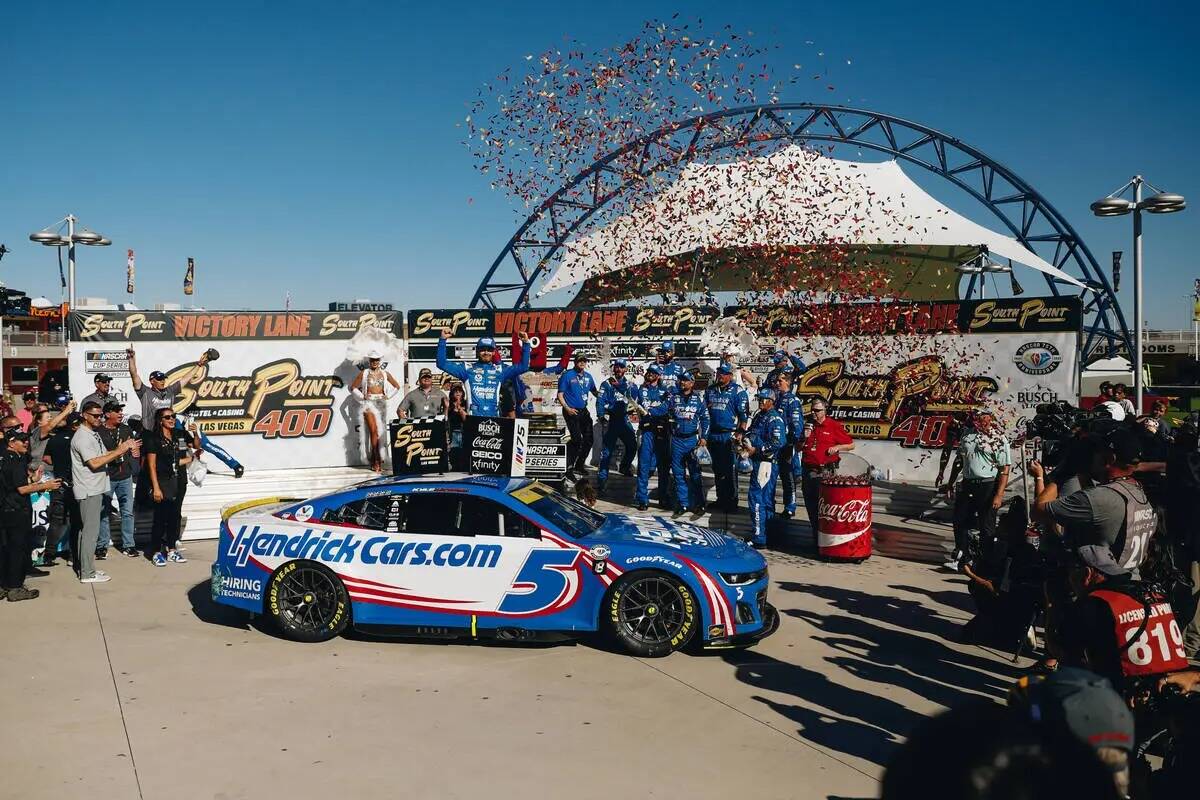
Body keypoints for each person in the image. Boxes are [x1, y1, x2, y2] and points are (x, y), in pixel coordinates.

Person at [71, 401, 139, 584]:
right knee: (90, 533)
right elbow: (94, 463)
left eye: (100, 415)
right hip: (89, 490)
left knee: (86, 531)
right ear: (84, 415)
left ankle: (85, 567)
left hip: (94, 488)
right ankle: (87, 573)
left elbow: (104, 456)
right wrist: (120, 450)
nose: (98, 418)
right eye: (94, 415)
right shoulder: (83, 437)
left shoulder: (92, 433)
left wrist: (120, 451)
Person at [943, 409, 1010, 571]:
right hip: (967, 483)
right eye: (979, 417)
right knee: (959, 520)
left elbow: (1004, 468)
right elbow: (959, 460)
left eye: (986, 417)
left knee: (986, 525)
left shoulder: (999, 438)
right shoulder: (967, 435)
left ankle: (985, 563)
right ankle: (963, 558)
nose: (982, 420)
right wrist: (950, 482)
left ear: (991, 418)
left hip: (988, 484)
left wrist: (999, 494)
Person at [0, 431, 61, 601]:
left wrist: (33, 479)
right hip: (16, 510)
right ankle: (15, 588)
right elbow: (21, 489)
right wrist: (45, 485)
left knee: (5, 549)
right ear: (11, 443)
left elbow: (13, 484)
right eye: (21, 441)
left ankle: (3, 585)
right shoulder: (16, 461)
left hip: (5, 510)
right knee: (17, 550)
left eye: (26, 440)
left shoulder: (3, 458)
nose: (25, 443)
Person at [436, 330, 531, 419]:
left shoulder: (500, 370)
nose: (486, 352)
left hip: (494, 420)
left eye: (489, 349)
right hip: (473, 420)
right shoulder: (467, 369)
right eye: (482, 349)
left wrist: (526, 343)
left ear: (494, 352)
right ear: (477, 351)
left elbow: (523, 367)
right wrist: (442, 340)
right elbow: (442, 363)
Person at [141, 407, 191, 566]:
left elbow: (188, 451)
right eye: (168, 417)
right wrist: (155, 487)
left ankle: (171, 549)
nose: (171, 419)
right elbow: (151, 465)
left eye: (173, 416)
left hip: (177, 481)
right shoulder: (153, 438)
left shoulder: (178, 435)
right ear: (160, 420)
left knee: (174, 517)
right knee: (160, 518)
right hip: (161, 482)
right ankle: (155, 552)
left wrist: (195, 436)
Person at [799, 399, 854, 540]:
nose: (813, 413)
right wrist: (803, 438)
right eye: (812, 410)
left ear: (825, 411)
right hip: (808, 470)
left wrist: (837, 447)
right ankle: (816, 536)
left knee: (824, 506)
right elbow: (797, 447)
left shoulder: (833, 425)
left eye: (817, 410)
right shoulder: (808, 425)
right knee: (810, 505)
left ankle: (825, 537)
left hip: (825, 471)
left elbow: (850, 444)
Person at [704, 364, 749, 512]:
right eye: (719, 373)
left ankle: (731, 501)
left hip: (728, 434)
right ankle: (720, 499)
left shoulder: (738, 391)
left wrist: (740, 433)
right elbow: (705, 412)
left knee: (729, 470)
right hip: (713, 434)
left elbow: (744, 416)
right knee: (717, 469)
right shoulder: (710, 390)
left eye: (724, 373)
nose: (720, 376)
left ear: (730, 375)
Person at [127, 345, 210, 426]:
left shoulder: (170, 391)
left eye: (163, 379)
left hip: (166, 432)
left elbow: (186, 378)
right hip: (150, 433)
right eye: (159, 379)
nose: (162, 381)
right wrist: (131, 359)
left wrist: (199, 365)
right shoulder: (145, 392)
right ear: (152, 381)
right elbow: (134, 375)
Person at [744, 388, 786, 546]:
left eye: (764, 399)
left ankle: (759, 537)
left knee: (756, 499)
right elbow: (751, 433)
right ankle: (765, 534)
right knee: (764, 500)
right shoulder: (759, 415)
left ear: (772, 402)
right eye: (760, 398)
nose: (761, 401)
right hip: (757, 461)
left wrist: (757, 449)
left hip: (766, 463)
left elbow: (778, 442)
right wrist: (744, 441)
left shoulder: (775, 419)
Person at [96, 401, 138, 558]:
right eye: (116, 411)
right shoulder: (98, 431)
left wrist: (134, 450)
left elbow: (134, 449)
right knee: (103, 513)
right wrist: (117, 450)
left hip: (125, 476)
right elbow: (98, 455)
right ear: (107, 414)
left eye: (121, 411)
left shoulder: (126, 429)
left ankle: (129, 545)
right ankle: (102, 546)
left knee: (127, 512)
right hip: (106, 477)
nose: (120, 413)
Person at [349, 351, 401, 473]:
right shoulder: (364, 373)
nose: (375, 362)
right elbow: (353, 388)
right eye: (372, 360)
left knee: (380, 433)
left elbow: (397, 386)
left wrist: (388, 395)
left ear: (380, 361)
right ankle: (376, 459)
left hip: (381, 404)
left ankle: (374, 458)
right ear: (369, 361)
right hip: (368, 405)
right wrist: (362, 397)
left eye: (377, 360)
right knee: (374, 431)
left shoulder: (384, 373)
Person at [40, 411, 82, 566]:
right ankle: (73, 555)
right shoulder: (79, 439)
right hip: (75, 484)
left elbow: (46, 458)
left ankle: (49, 555)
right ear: (76, 424)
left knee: (57, 522)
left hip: (58, 482)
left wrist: (59, 463)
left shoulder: (54, 439)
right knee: (76, 522)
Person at [595, 358, 639, 495]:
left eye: (621, 367)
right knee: (606, 453)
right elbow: (600, 401)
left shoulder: (630, 384)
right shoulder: (606, 384)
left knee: (632, 446)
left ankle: (625, 467)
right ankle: (602, 481)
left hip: (624, 420)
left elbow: (635, 396)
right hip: (611, 421)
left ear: (625, 369)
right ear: (613, 368)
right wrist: (601, 416)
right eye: (617, 367)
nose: (619, 369)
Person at [668, 371, 709, 516]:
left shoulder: (698, 399)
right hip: (677, 440)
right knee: (678, 474)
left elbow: (705, 419)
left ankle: (699, 503)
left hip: (692, 440)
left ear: (692, 383)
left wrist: (704, 437)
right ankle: (683, 503)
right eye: (681, 380)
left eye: (685, 380)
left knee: (695, 474)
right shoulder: (673, 398)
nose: (682, 382)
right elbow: (668, 415)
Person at [634, 364, 673, 512]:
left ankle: (663, 498)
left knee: (663, 467)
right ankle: (642, 500)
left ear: (659, 375)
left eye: (653, 372)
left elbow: (667, 406)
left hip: (662, 431)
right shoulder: (642, 389)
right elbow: (640, 407)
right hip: (647, 431)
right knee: (643, 466)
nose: (650, 374)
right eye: (649, 371)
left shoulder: (666, 390)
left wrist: (652, 411)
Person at [557, 353, 599, 479]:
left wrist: (606, 396)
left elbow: (595, 392)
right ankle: (568, 468)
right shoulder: (567, 375)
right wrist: (567, 408)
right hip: (571, 411)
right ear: (575, 362)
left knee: (589, 439)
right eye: (580, 360)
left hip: (583, 411)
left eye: (584, 361)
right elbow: (560, 394)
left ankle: (579, 465)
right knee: (576, 440)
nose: (582, 363)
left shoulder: (588, 377)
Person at [773, 374, 805, 518]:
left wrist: (795, 444)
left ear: (788, 382)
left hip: (788, 445)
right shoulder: (777, 398)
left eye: (780, 380)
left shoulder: (793, 400)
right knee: (775, 476)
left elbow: (797, 424)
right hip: (776, 444)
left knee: (789, 478)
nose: (777, 383)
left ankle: (790, 507)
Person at [446, 384, 467, 470]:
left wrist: (460, 408)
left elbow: (466, 419)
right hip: (453, 434)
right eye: (455, 391)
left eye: (460, 391)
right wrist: (446, 408)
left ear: (463, 393)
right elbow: (445, 419)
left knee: (464, 455)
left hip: (464, 433)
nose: (458, 392)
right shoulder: (449, 404)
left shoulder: (467, 403)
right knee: (453, 455)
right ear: (452, 393)